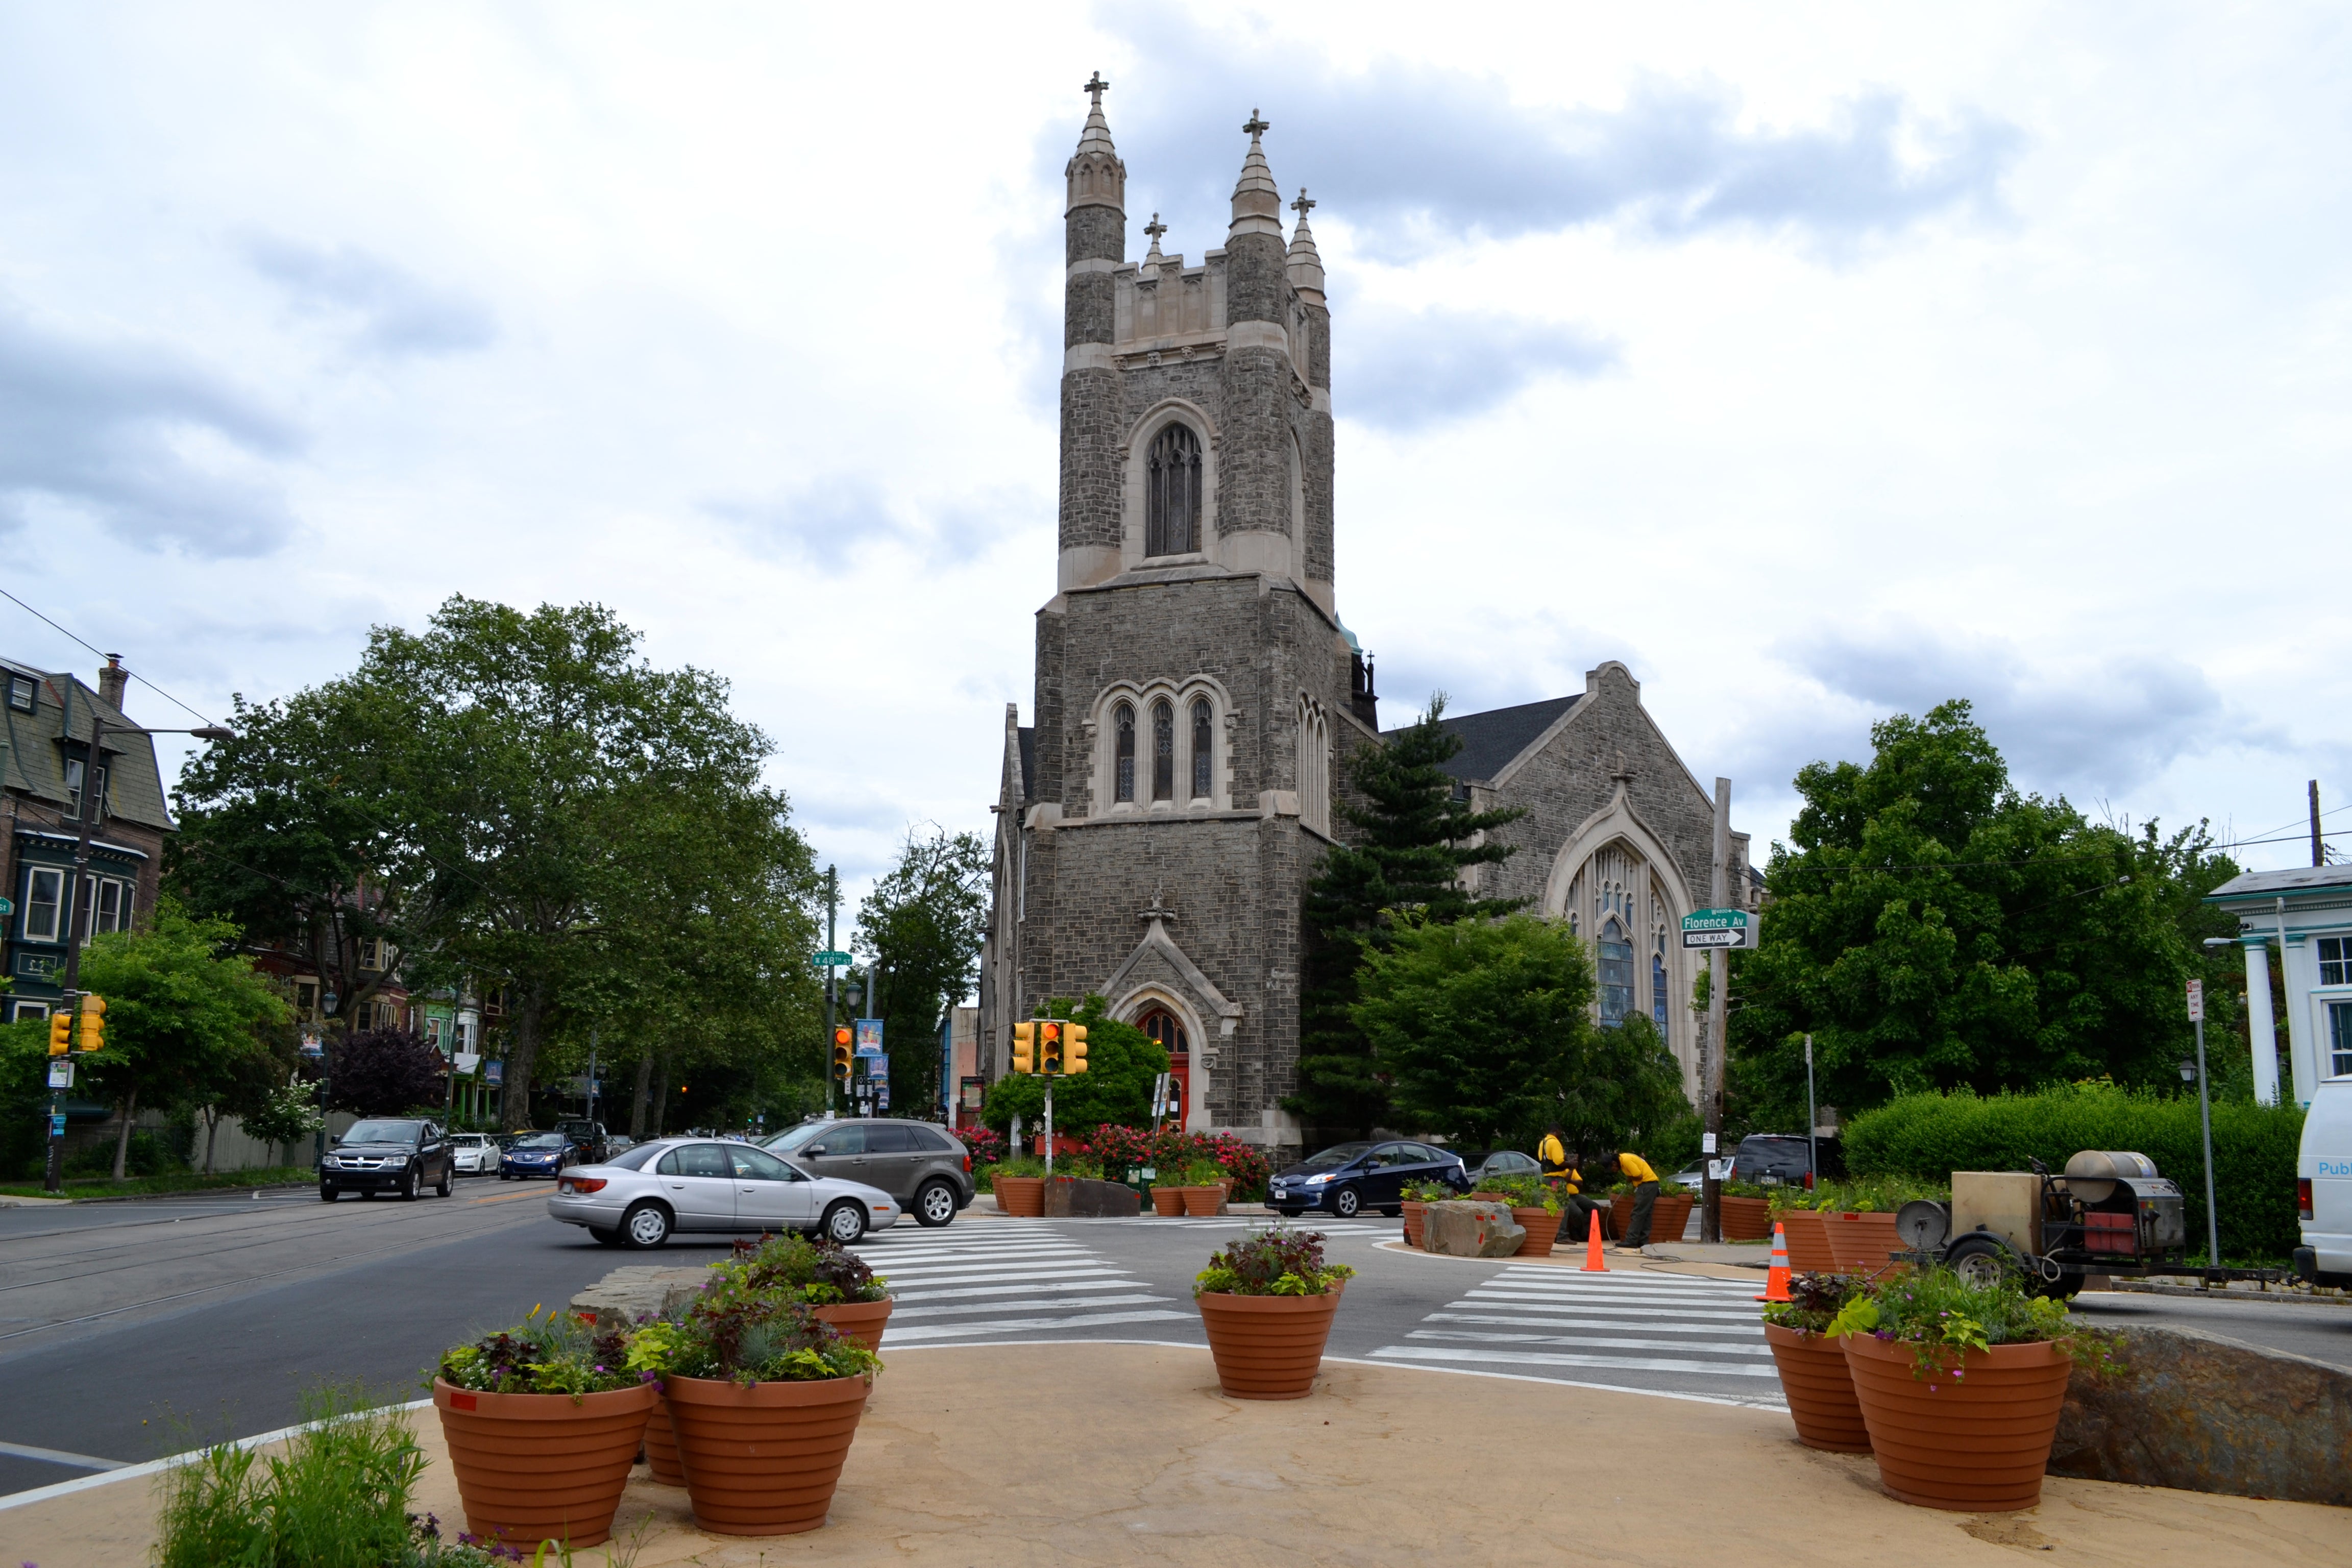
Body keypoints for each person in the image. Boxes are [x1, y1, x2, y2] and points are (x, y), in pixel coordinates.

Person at [1537, 1124, 1606, 1245]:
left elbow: (1542, 1159)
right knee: (1563, 1206)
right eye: (1560, 1132)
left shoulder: (1543, 1143)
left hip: (1548, 1179)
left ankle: (1556, 1234)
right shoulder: (1554, 1142)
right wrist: (1570, 1165)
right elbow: (1559, 1161)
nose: (1561, 1135)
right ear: (1556, 1131)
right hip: (1555, 1179)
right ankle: (1562, 1236)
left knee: (1554, 1205)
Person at [1613, 1149, 1661, 1251]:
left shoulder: (1625, 1160)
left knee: (1638, 1213)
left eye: (1612, 1168)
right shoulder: (1625, 1157)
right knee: (1646, 1214)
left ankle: (1631, 1241)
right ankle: (1644, 1241)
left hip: (1646, 1186)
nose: (1613, 1171)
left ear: (1614, 1163)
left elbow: (1639, 1176)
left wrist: (1630, 1178)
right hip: (1652, 1185)